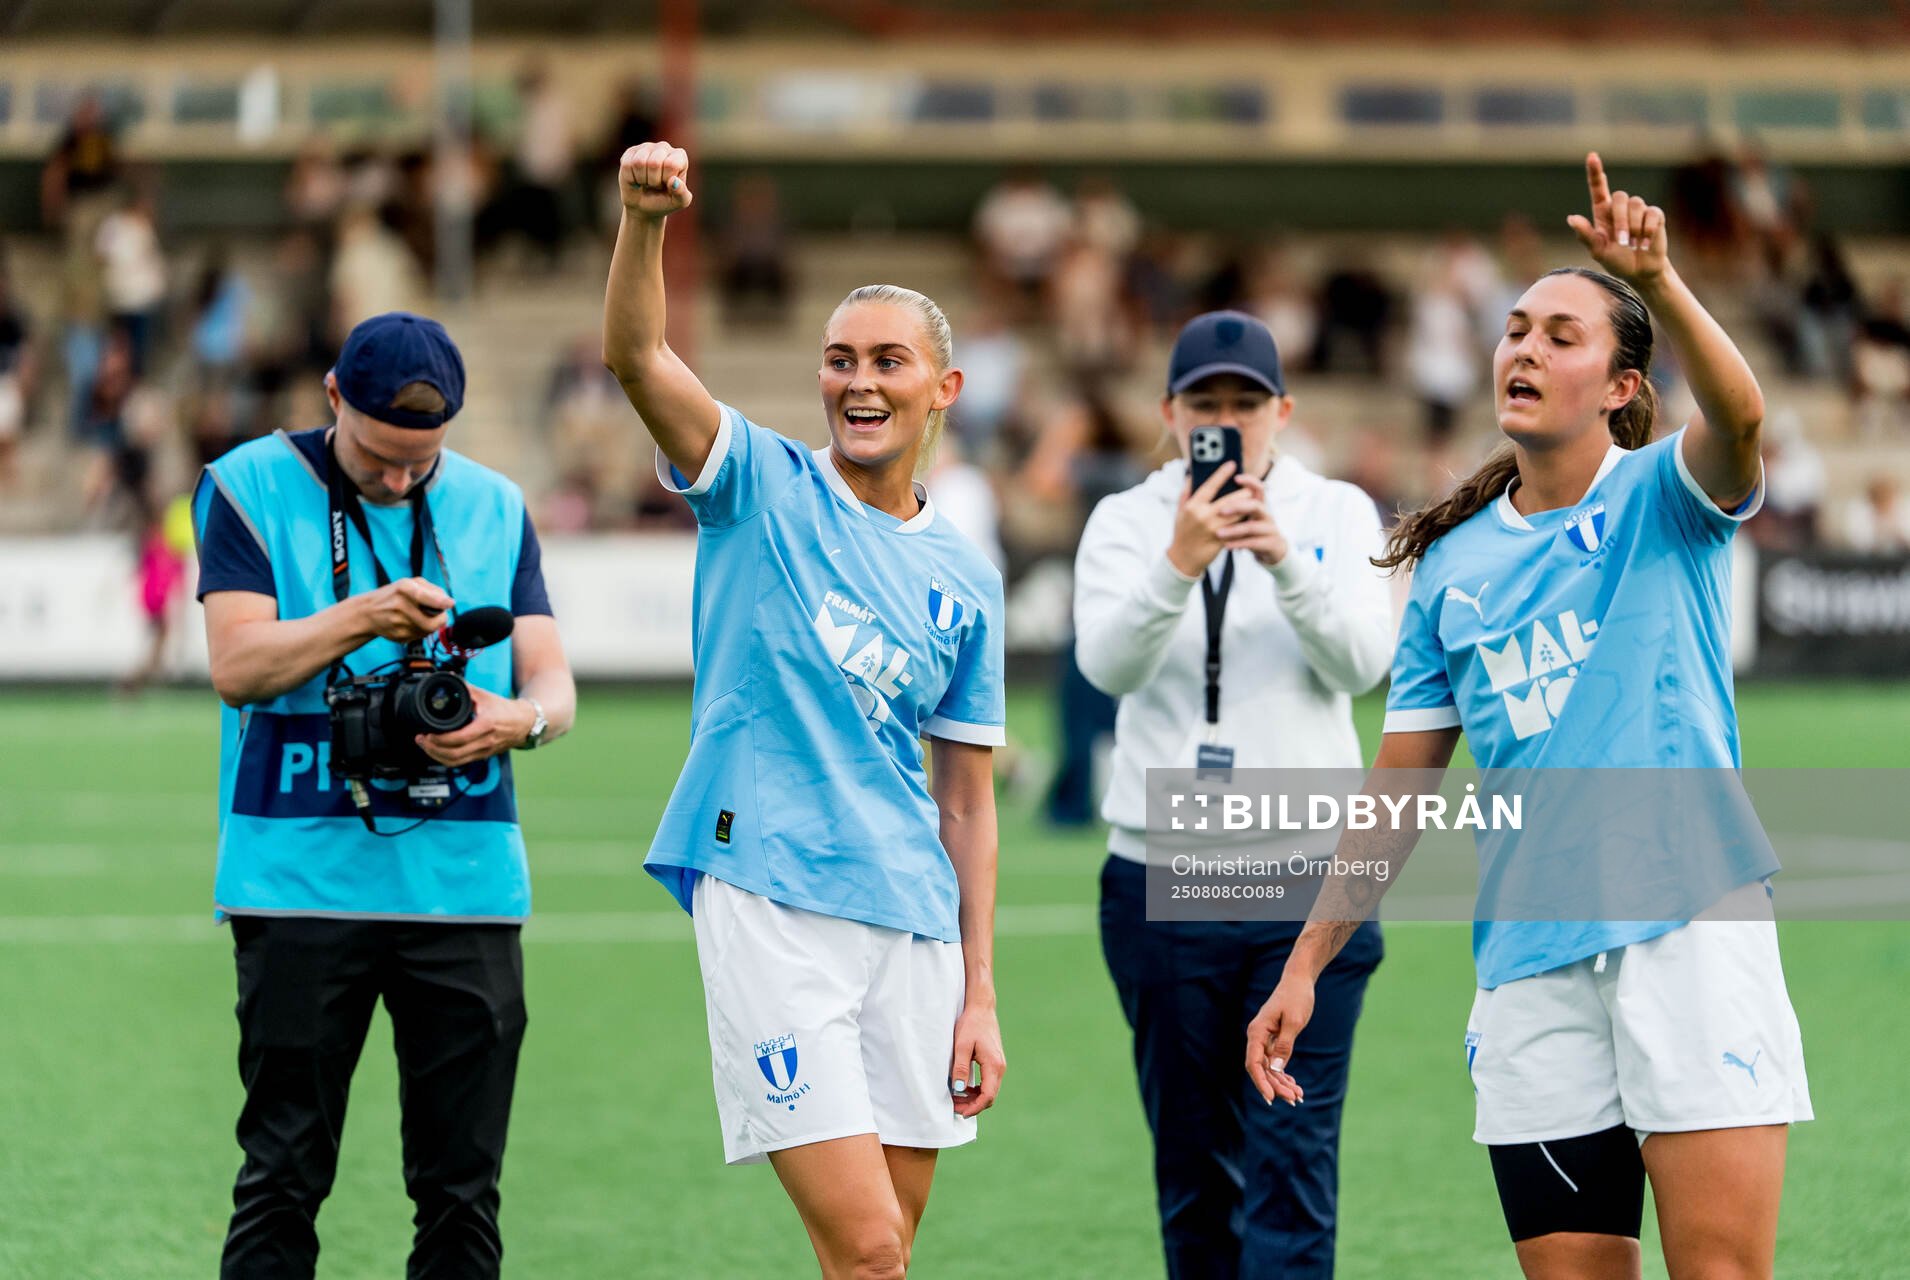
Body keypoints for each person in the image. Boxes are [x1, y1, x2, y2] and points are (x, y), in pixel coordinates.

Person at [1247, 155, 1812, 1280]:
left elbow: (1740, 414)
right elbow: (1395, 789)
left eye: (1559, 334)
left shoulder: (1661, 496)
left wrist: (1657, 279)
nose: (1521, 349)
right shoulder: (1450, 563)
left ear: (1619, 385)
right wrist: (1306, 960)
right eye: (1514, 329)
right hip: (1528, 967)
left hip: (1687, 933)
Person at [604, 141, 1006, 1280]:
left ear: (943, 387)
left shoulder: (964, 576)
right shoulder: (757, 483)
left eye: (888, 359)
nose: (859, 382)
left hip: (914, 922)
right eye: (838, 361)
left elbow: (966, 803)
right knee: (871, 1245)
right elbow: (635, 355)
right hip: (769, 895)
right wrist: (643, 222)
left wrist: (980, 990)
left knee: (877, 1256)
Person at [192, 311, 576, 1279]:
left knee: (461, 1193)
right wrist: (364, 612)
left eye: (421, 461)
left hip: (467, 887)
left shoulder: (495, 503)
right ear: (332, 397)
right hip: (295, 882)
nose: (400, 480)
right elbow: (237, 664)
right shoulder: (245, 485)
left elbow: (553, 681)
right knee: (280, 1175)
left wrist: (517, 721)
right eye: (377, 457)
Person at [1074, 310, 1393, 1279]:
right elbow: (1106, 666)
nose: (1226, 420)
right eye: (1204, 403)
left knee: (1291, 1162)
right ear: (1168, 413)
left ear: (1282, 411)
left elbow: (1361, 663)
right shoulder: (1127, 519)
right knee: (1192, 1172)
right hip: (1159, 872)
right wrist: (1179, 559)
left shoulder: (1334, 510)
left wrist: (1281, 558)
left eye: (1244, 403)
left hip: (1304, 879)